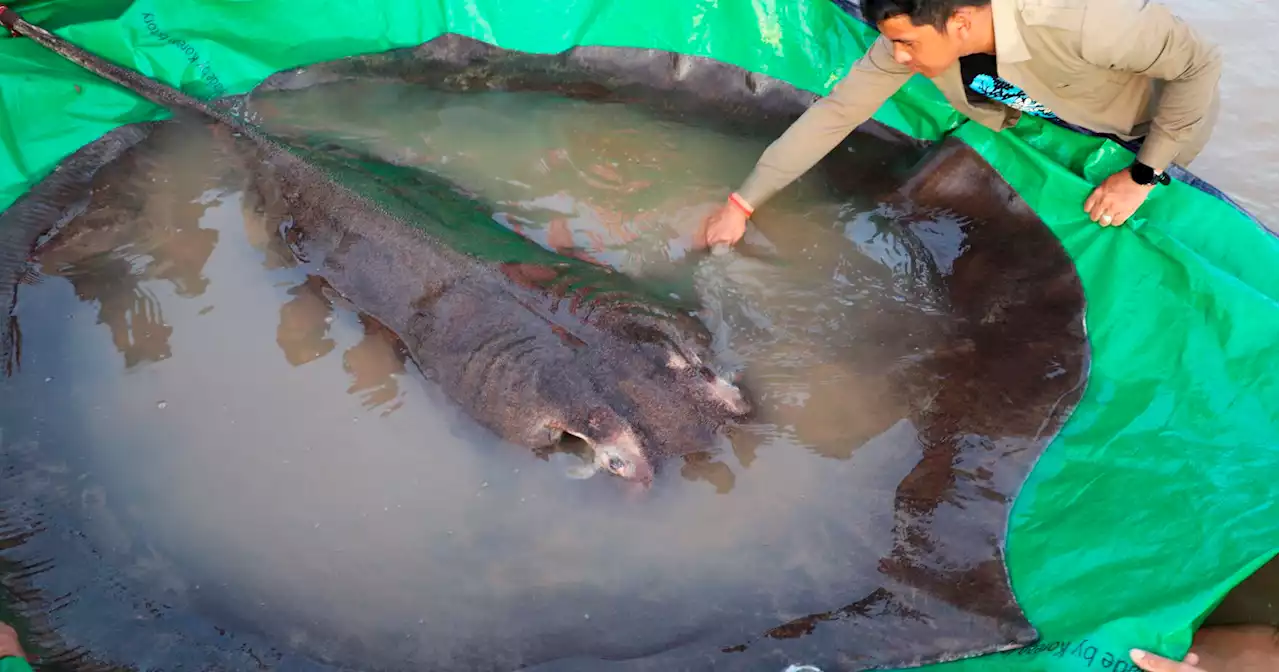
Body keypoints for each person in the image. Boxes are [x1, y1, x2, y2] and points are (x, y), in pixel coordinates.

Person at [700, 0, 1222, 246]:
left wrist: (1143, 175)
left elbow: (1199, 67)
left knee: (1150, 226)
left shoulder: (1081, 19)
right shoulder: (908, 42)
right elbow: (836, 113)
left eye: (908, 42)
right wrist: (741, 203)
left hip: (1144, 128)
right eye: (893, 41)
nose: (899, 58)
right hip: (1045, 115)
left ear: (961, 21)